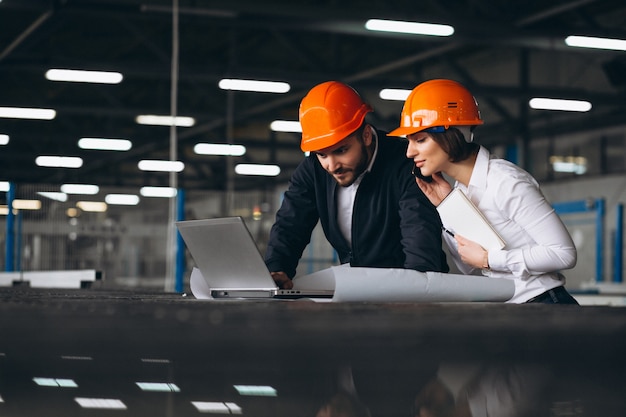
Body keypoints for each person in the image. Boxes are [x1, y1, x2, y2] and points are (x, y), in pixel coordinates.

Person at [388, 78, 578, 304]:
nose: (409, 152)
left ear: (450, 135)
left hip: (544, 303)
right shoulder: (459, 191)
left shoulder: (506, 181)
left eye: (420, 140)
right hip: (512, 306)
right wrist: (448, 206)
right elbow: (469, 266)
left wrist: (491, 260)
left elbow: (563, 253)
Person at [265, 80, 448, 289]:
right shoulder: (313, 170)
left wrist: (416, 296)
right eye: (322, 154)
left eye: (341, 150)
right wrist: (276, 270)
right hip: (356, 291)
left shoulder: (407, 165)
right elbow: (290, 225)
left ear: (367, 135)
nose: (332, 165)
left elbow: (420, 241)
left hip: (408, 294)